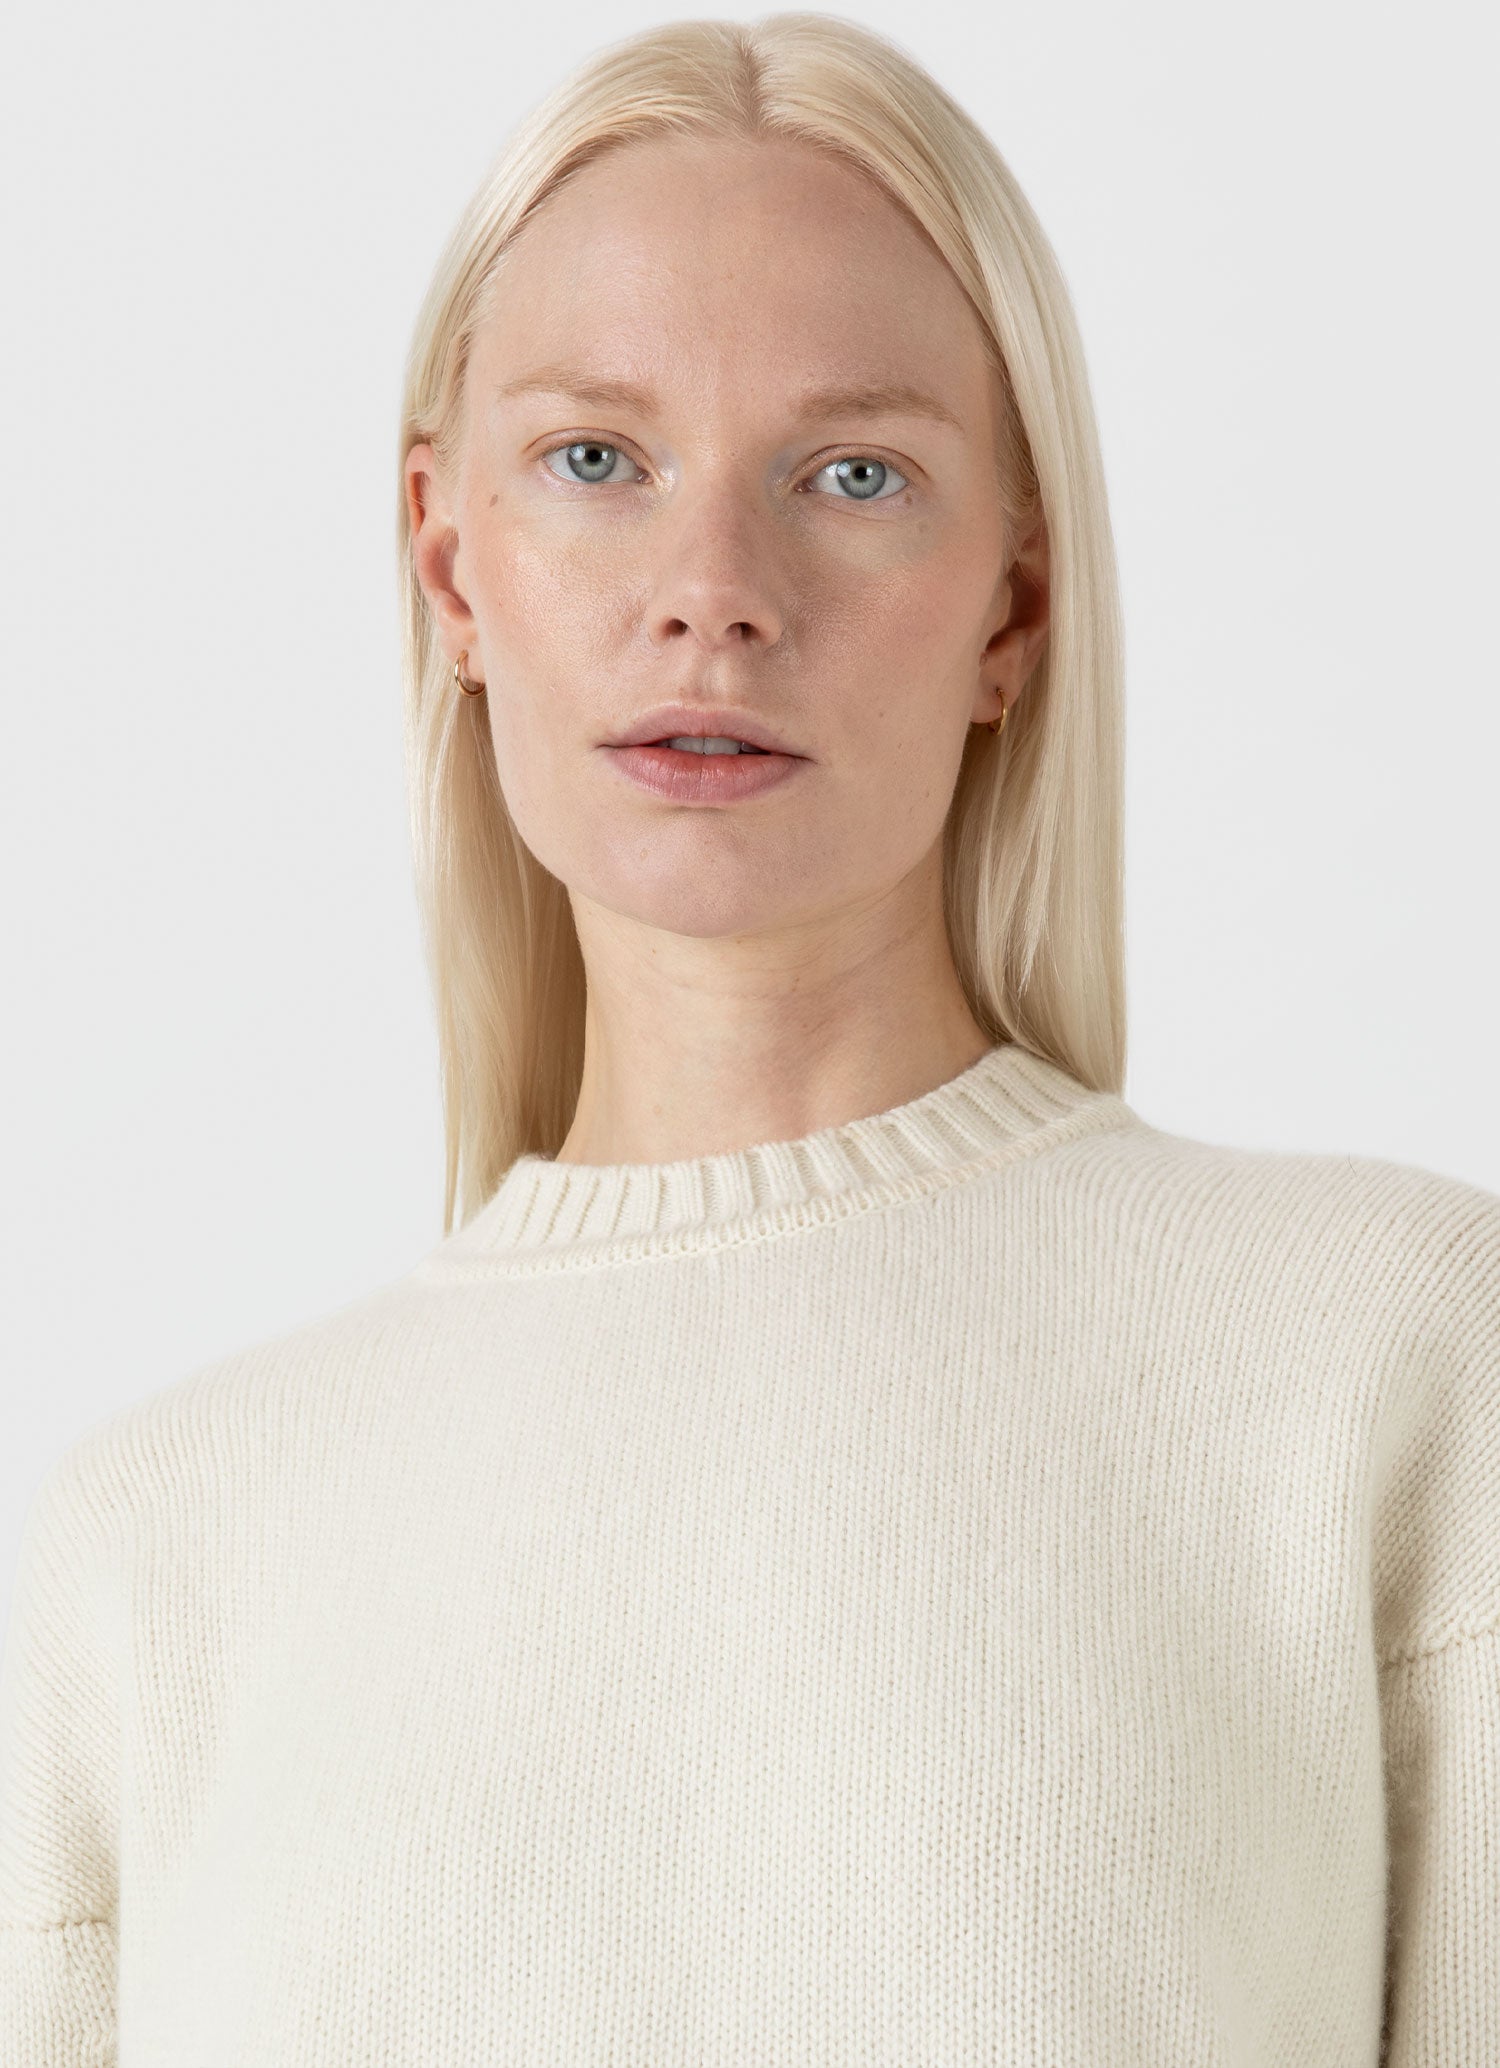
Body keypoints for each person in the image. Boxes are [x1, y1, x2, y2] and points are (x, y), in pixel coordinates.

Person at [2, 14, 1495, 2064]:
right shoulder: (147, 1559)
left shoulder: (1390, 1364)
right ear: (451, 564)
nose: (713, 591)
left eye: (853, 474)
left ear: (1013, 607)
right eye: (596, 461)